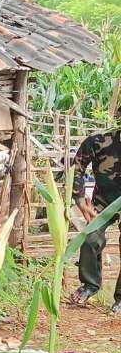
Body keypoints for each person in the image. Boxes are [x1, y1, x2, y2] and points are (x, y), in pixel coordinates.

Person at [69, 130, 121, 313]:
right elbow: (76, 166)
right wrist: (81, 200)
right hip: (103, 201)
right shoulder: (98, 142)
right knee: (90, 237)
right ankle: (90, 285)